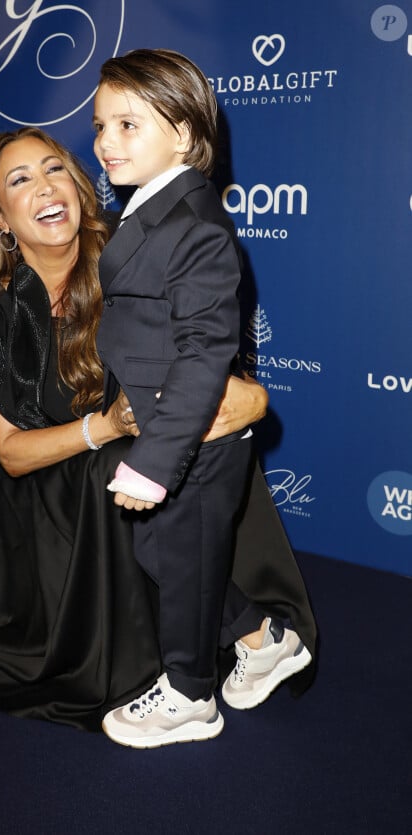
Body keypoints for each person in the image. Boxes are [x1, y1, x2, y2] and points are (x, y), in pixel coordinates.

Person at [0, 126, 315, 733]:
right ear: (0, 218)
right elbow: (10, 452)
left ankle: (220, 659)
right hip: (49, 486)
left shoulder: (135, 247)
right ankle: (250, 632)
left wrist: (248, 394)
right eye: (19, 180)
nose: (45, 188)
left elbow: (206, 355)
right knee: (119, 468)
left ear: (80, 186)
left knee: (173, 449)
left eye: (55, 168)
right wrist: (103, 426)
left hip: (142, 459)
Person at [93, 49, 314, 748]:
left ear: (185, 135)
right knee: (167, 555)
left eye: (129, 125)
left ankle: (190, 694)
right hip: (172, 423)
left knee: (182, 563)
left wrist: (152, 461)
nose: (106, 143)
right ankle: (264, 636)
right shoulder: (148, 209)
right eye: (100, 127)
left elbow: (202, 354)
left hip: (199, 431)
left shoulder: (195, 225)